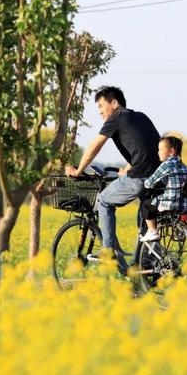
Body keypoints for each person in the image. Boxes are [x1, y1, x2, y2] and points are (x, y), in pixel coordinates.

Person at [65, 86, 160, 269]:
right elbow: (147, 147)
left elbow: (95, 145)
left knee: (104, 201)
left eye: (101, 105)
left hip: (140, 176)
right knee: (144, 219)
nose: (100, 111)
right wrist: (128, 167)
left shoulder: (116, 118)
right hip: (156, 176)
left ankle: (107, 250)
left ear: (114, 103)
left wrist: (78, 170)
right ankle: (144, 268)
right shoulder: (141, 116)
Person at [139, 136, 187, 242]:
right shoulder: (183, 166)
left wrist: (144, 183)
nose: (158, 152)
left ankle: (152, 231)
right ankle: (179, 230)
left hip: (171, 202)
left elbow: (150, 182)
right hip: (186, 204)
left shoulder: (166, 165)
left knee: (146, 205)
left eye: (160, 150)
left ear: (171, 151)